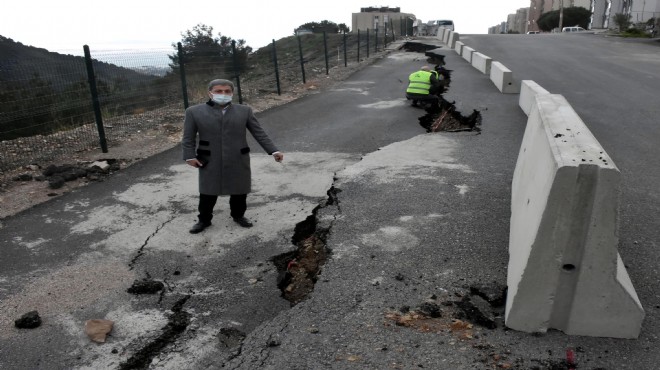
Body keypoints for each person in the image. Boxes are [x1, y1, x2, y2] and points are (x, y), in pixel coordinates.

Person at [182, 79, 284, 234]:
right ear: (210, 93)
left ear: (232, 93)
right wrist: (189, 156)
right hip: (209, 158)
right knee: (208, 191)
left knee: (239, 190)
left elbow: (259, 132)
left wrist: (273, 151)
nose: (223, 94)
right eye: (218, 91)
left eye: (227, 91)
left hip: (238, 156)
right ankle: (204, 220)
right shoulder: (194, 112)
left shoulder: (244, 111)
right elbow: (188, 137)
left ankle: (238, 216)